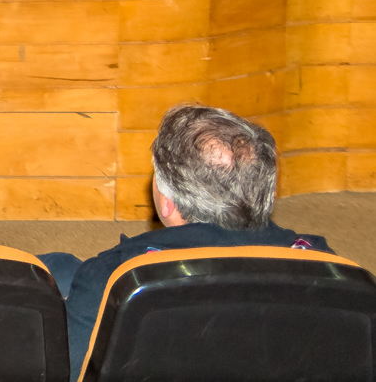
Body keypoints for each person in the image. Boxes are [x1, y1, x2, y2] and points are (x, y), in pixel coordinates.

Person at [48, 105, 329, 379]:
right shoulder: (325, 265)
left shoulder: (113, 277)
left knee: (54, 270)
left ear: (167, 203)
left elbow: (66, 369)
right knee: (63, 266)